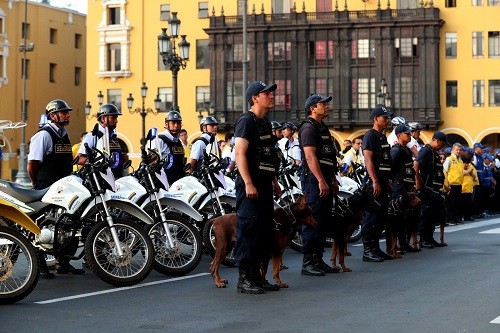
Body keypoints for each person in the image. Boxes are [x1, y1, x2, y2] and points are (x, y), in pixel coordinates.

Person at [233, 80, 282, 294]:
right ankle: (245, 279)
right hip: (251, 184)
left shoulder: (265, 123)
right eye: (266, 93)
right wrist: (248, 182)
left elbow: (268, 156)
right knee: (249, 229)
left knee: (263, 230)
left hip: (265, 183)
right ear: (254, 98)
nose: (271, 96)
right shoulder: (246, 121)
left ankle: (257, 276)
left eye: (271, 93)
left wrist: (274, 181)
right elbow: (240, 153)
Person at [28, 99, 84, 277]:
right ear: (53, 115)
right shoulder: (43, 135)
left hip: (63, 187)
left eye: (67, 112)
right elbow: (32, 163)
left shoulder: (63, 133)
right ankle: (40, 265)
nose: (67, 114)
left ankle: (63, 262)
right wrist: (37, 184)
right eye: (63, 112)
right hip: (46, 186)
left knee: (68, 224)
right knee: (42, 226)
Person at [298, 93, 341, 276]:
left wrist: (332, 180)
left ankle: (318, 259)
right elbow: (310, 156)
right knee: (313, 219)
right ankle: (308, 262)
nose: (327, 106)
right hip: (314, 180)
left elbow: (328, 157)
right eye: (323, 104)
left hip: (325, 179)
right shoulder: (308, 127)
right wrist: (321, 180)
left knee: (323, 220)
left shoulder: (322, 127)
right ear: (312, 108)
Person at [361, 105, 394, 262]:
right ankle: (367, 250)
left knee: (381, 217)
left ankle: (375, 248)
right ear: (376, 119)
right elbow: (368, 160)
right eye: (384, 117)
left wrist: (386, 180)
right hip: (373, 182)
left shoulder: (382, 136)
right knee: (372, 217)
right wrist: (374, 181)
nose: (387, 120)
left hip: (382, 180)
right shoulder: (370, 136)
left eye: (388, 118)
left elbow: (384, 161)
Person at [388, 124, 419, 255]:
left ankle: (404, 244)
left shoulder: (406, 150)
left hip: (406, 186)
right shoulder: (395, 150)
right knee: (398, 216)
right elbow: (390, 170)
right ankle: (396, 246)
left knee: (406, 216)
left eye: (410, 133)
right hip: (398, 187)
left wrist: (412, 185)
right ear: (399, 135)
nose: (410, 135)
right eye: (407, 133)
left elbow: (409, 169)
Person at [414, 131, 448, 248]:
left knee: (433, 214)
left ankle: (430, 237)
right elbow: (416, 165)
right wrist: (418, 181)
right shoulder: (426, 150)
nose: (442, 147)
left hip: (434, 188)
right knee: (426, 213)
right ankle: (423, 239)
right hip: (426, 187)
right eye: (442, 144)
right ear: (437, 141)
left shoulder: (434, 153)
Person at [78, 103, 128, 178]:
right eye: (113, 118)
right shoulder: (92, 136)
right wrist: (95, 162)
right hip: (99, 181)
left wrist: (122, 158)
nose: (116, 121)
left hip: (116, 179)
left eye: (116, 118)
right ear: (103, 119)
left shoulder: (113, 137)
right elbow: (80, 159)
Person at [156, 110, 186, 184]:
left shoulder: (178, 141)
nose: (176, 125)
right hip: (164, 181)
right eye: (173, 123)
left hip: (179, 180)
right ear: (167, 124)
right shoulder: (159, 140)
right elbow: (151, 161)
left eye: (178, 123)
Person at [443, 143, 464, 225]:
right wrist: (446, 184)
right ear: (453, 150)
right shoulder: (449, 159)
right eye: (457, 150)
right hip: (451, 184)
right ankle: (450, 219)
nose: (458, 151)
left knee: (457, 202)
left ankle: (455, 218)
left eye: (459, 150)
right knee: (450, 203)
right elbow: (445, 171)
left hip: (458, 184)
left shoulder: (460, 160)